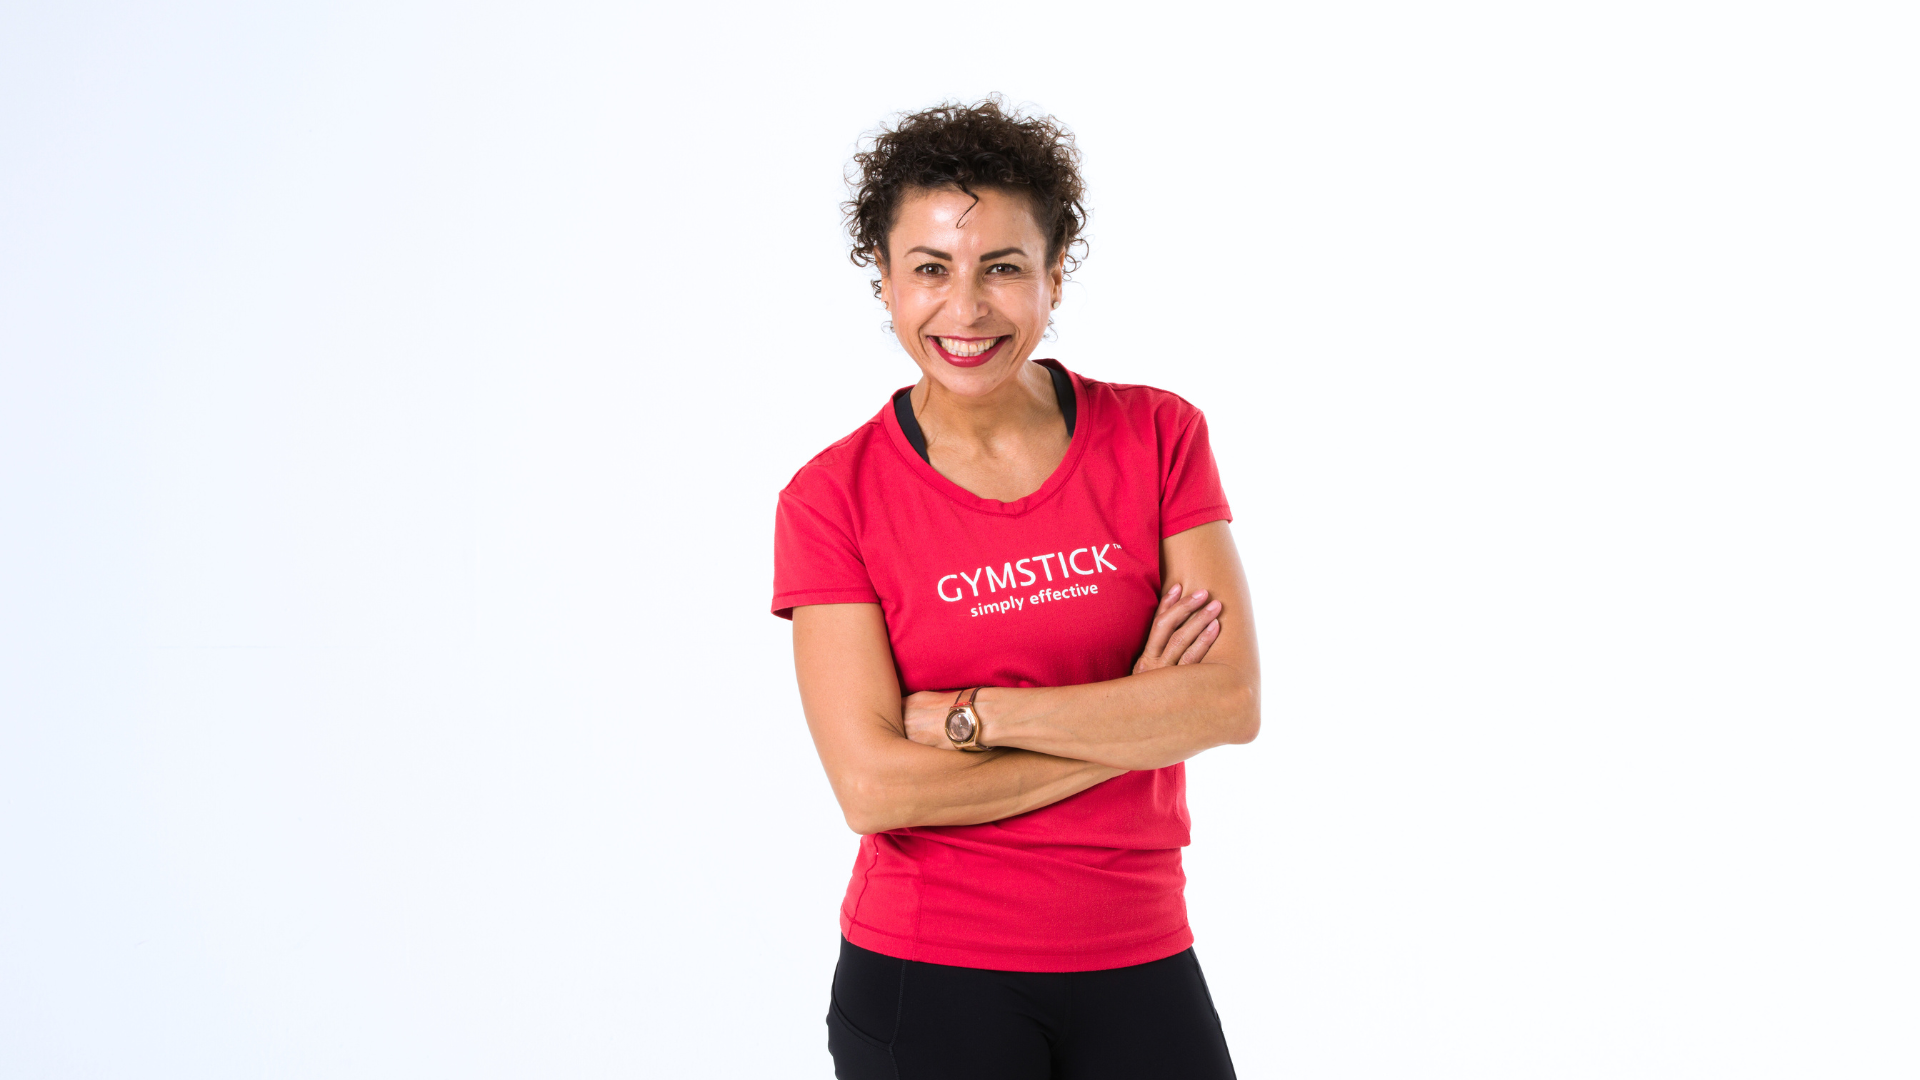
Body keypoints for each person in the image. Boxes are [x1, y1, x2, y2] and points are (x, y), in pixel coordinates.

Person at [772, 97, 1260, 1080]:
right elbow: (874, 789)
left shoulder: (1158, 436)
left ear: (1054, 275)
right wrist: (1135, 721)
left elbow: (1227, 703)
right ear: (883, 279)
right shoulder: (831, 498)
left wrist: (974, 716)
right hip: (931, 976)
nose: (965, 310)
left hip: (1144, 957)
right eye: (929, 270)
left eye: (1002, 267)